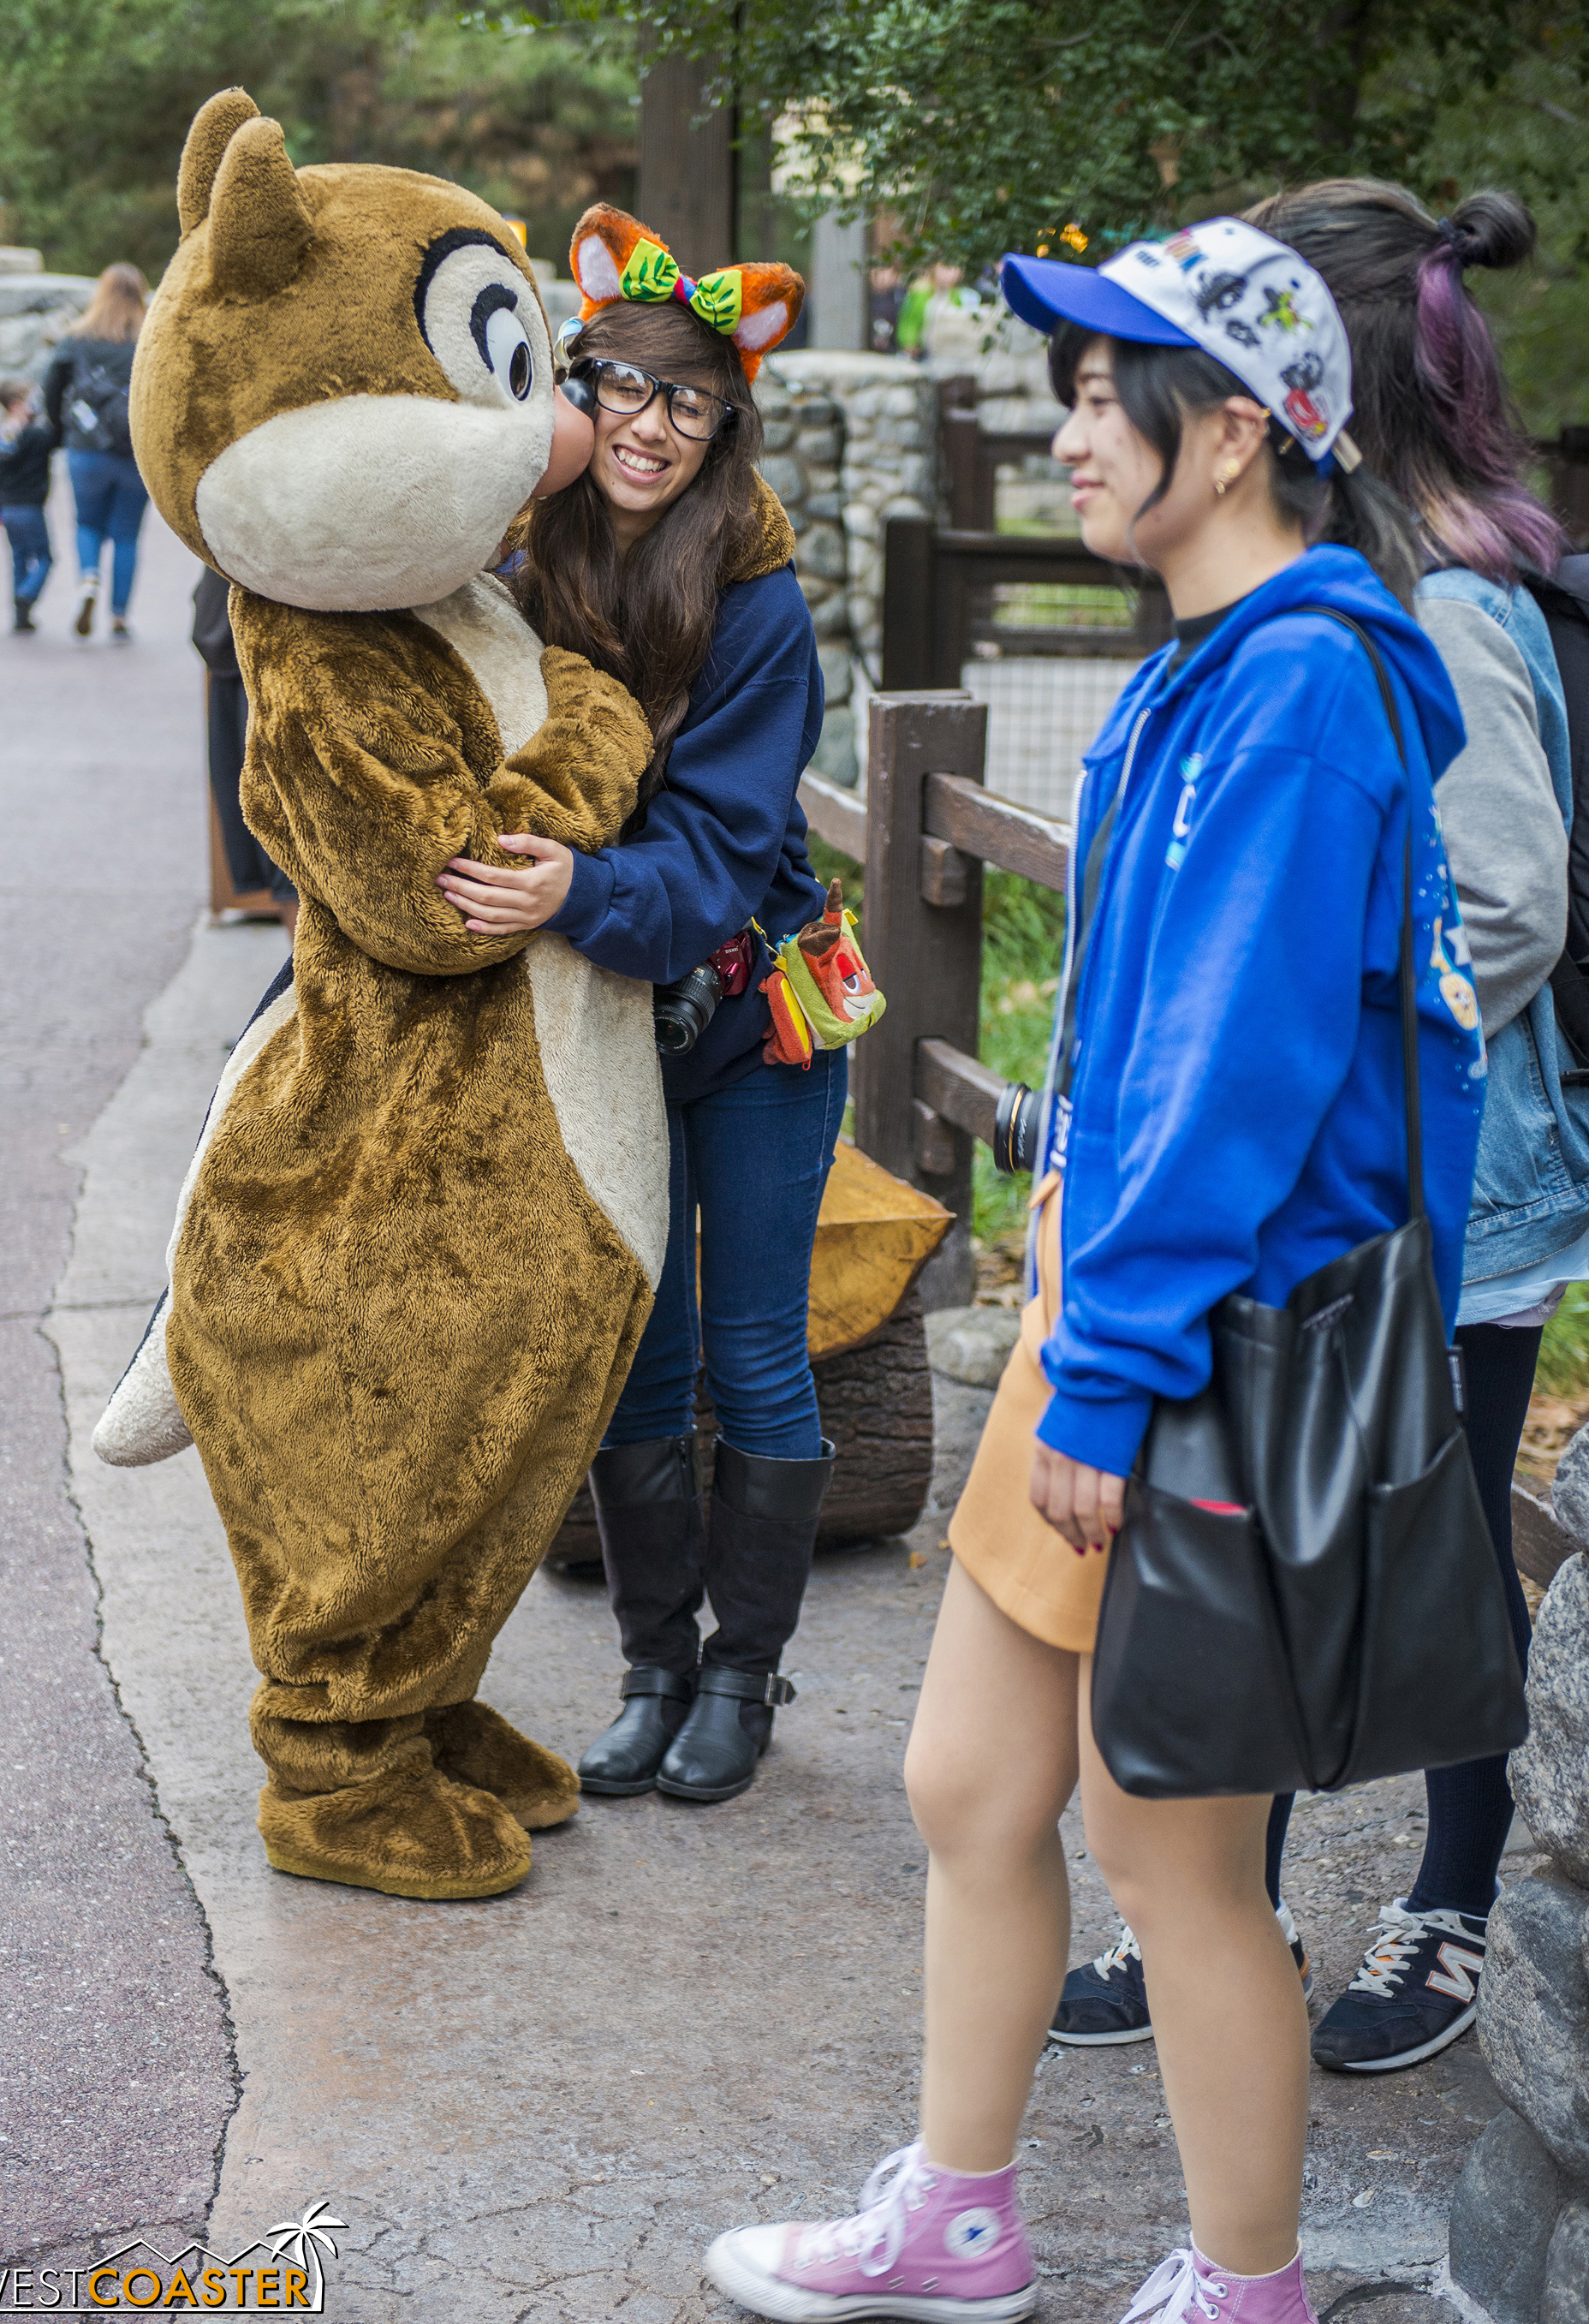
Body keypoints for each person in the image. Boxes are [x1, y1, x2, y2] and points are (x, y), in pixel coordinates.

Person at [702, 218, 1484, 2324]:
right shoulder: (1200, 669)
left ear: (1229, 432)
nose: (1059, 432)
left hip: (1198, 1348)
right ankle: (960, 2212)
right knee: (970, 1778)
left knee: (1171, 1855)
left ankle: (1246, 2284)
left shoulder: (1307, 687)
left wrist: (1118, 1359)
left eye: (1093, 394)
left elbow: (1241, 1072)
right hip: (1113, 1319)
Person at [436, 201, 840, 1809]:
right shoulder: (524, 561)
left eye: (691, 402)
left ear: (727, 423)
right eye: (622, 386)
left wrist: (576, 896)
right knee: (631, 1346)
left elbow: (729, 850)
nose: (652, 427)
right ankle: (653, 1664)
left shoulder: (760, 599)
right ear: (576, 381)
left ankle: (743, 1673)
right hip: (600, 1011)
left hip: (748, 1014)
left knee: (751, 1353)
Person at [1236, 180, 1578, 2077]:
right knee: (1286, 1553)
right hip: (1382, 1180)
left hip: (1456, 1188)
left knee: (1427, 1568)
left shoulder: (1445, 596)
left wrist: (1308, 986)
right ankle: (1233, 1919)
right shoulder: (1375, 571)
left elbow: (1507, 905)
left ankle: (1445, 1904)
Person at [44, 263, 150, 642]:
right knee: (126, 534)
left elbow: (51, 390)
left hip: (86, 449)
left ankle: (89, 576)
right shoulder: (150, 339)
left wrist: (60, 434)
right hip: (135, 453)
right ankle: (120, 616)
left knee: (87, 522)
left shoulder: (75, 339)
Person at [192, 568, 298, 938]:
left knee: (291, 841)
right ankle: (308, 982)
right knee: (289, 841)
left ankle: (309, 982)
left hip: (265, 638)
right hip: (255, 637)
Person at [0, 378, 56, 633]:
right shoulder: (36, 437)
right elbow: (55, 438)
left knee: (19, 558)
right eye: (30, 400)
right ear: (16, 405)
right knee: (45, 557)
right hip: (30, 507)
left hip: (8, 509)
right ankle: (26, 594)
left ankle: (20, 616)